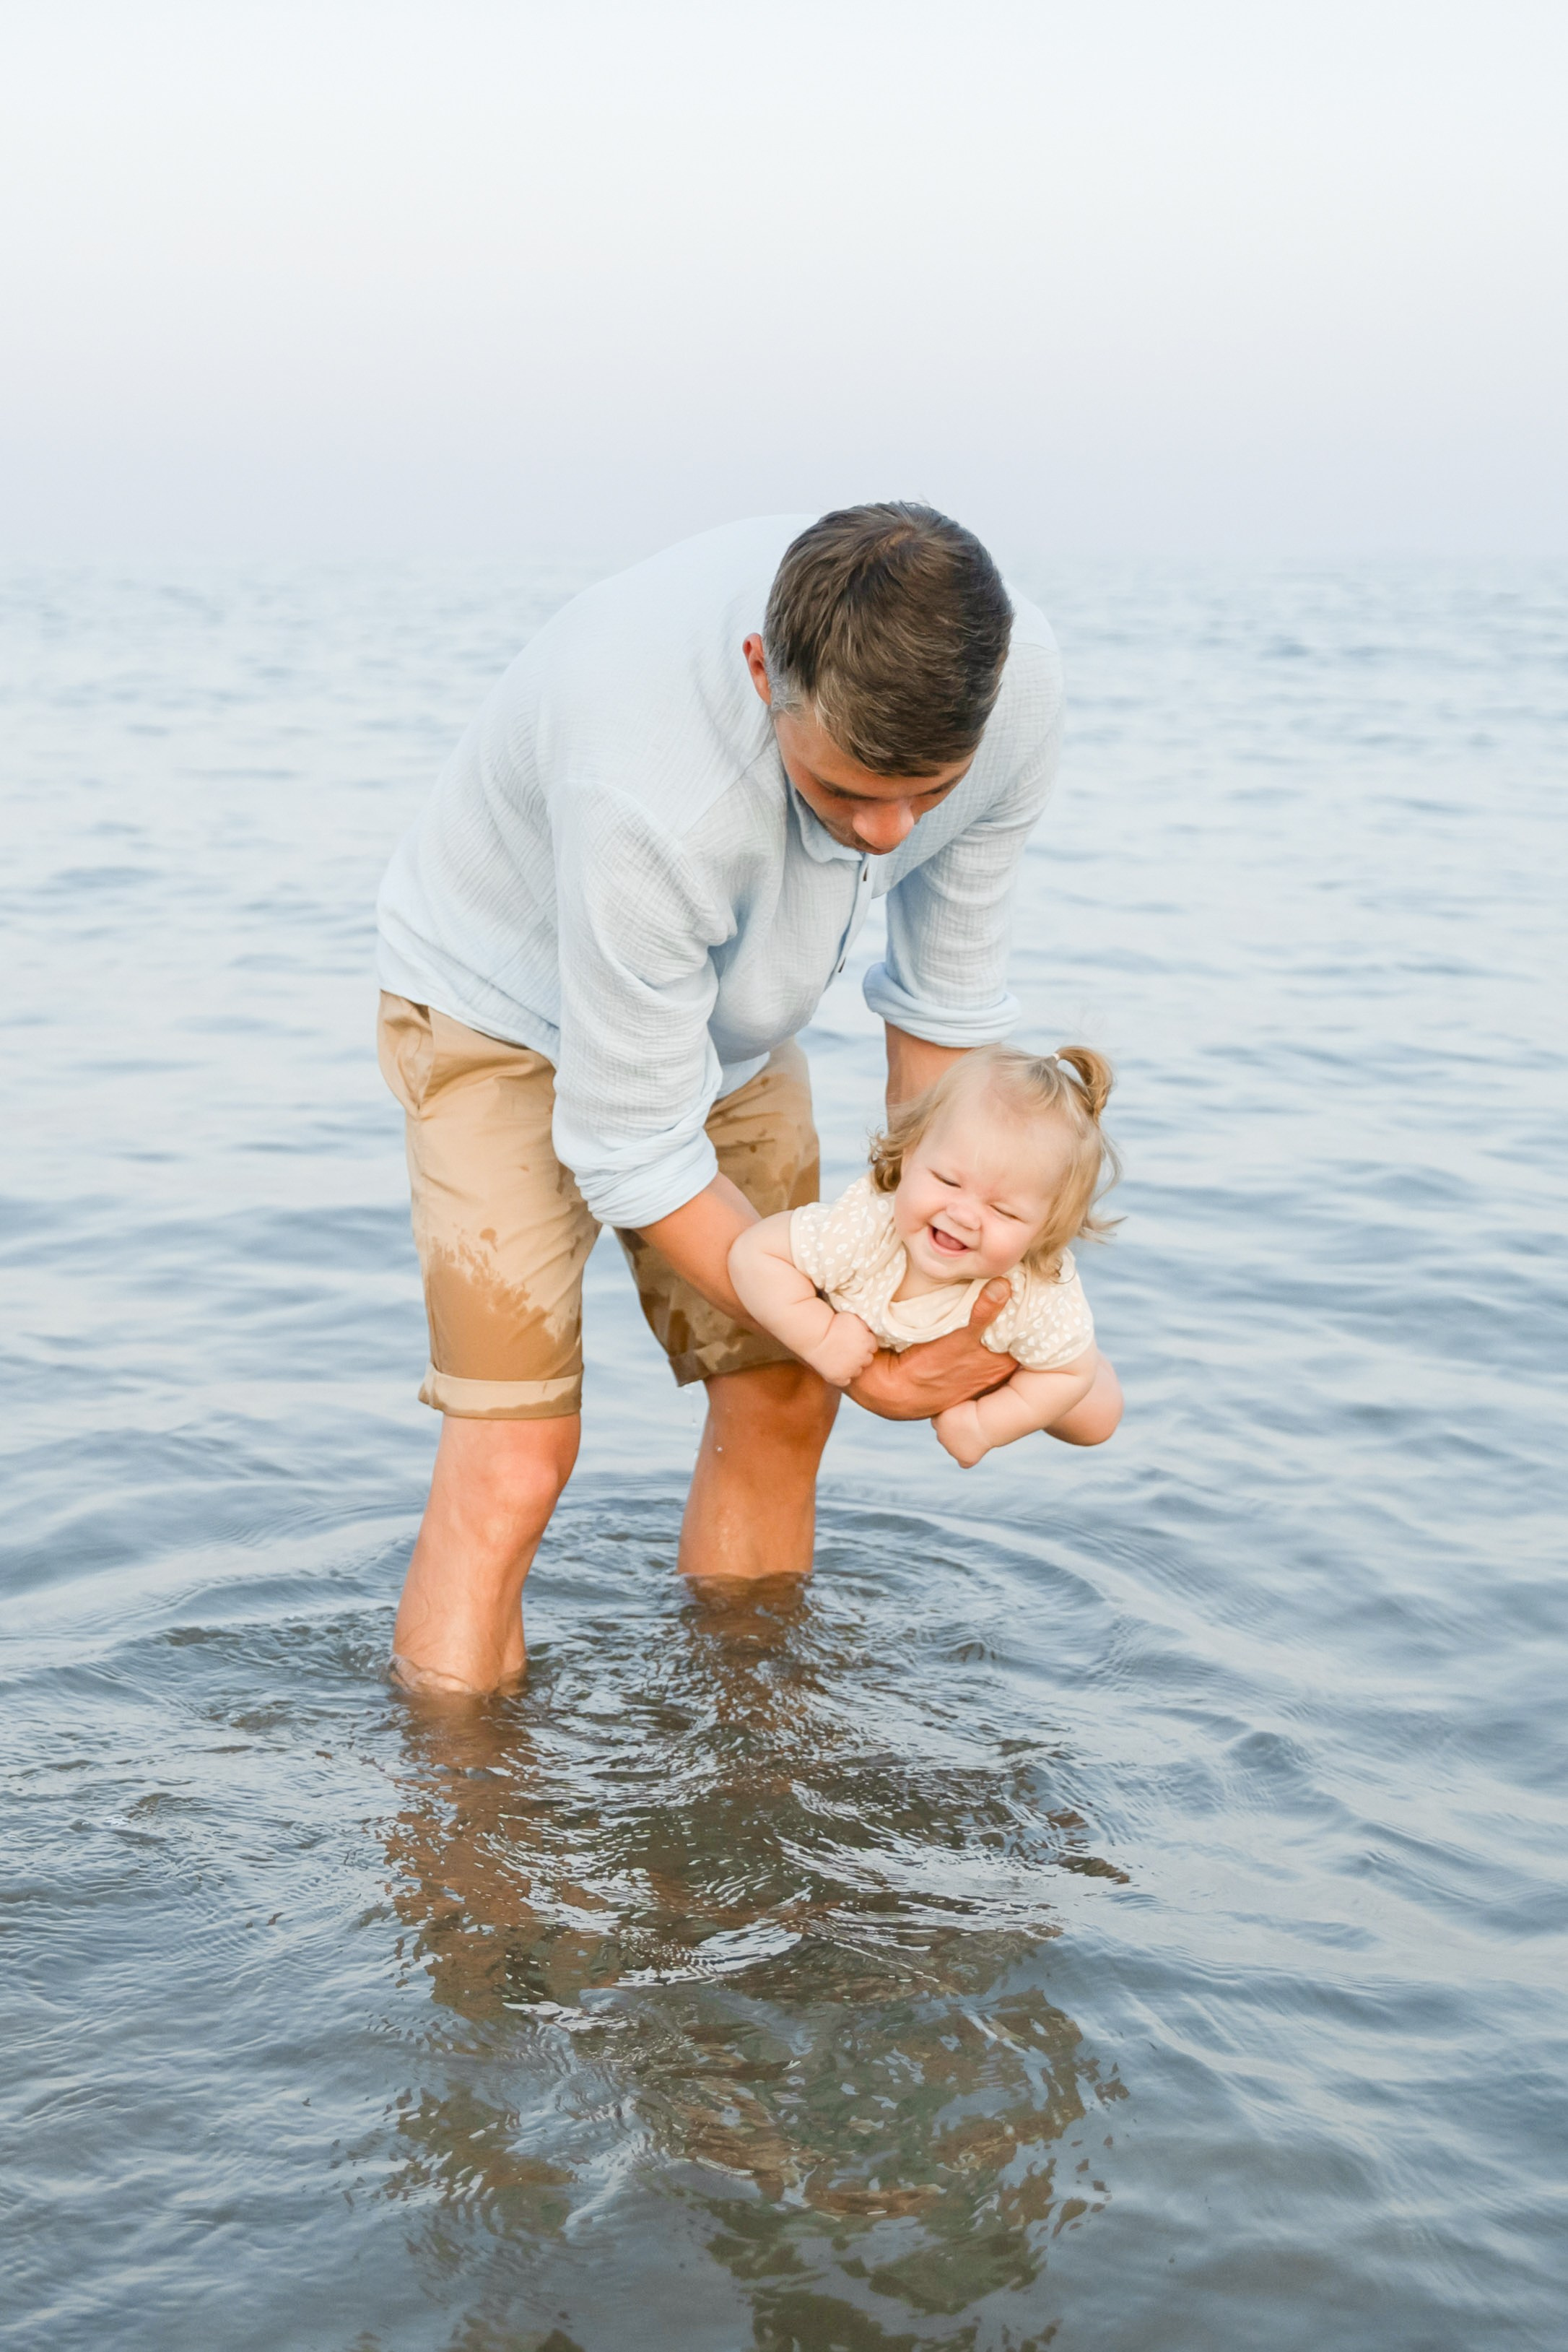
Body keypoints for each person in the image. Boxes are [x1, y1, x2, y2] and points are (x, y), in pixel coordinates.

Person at [375, 503, 1082, 1694]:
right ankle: (461, 1847)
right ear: (764, 674)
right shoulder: (646, 779)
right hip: (497, 1007)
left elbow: (942, 1017)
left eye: (926, 793)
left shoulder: (1012, 701)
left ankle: (747, 1776)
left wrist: (945, 1289)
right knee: (515, 1456)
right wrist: (858, 1345)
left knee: (783, 1390)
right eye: (847, 791)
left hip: (728, 1030)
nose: (887, 833)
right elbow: (632, 1145)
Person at [729, 1043, 1123, 1468]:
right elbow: (755, 1253)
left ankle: (1078, 1340)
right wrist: (818, 1333)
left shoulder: (1031, 1293)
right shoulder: (864, 1233)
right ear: (910, 1154)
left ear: (1046, 1231)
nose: (964, 1215)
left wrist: (988, 1424)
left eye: (1003, 1210)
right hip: (881, 1328)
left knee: (1097, 1420)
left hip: (1005, 1349)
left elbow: (1069, 1375)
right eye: (947, 1180)